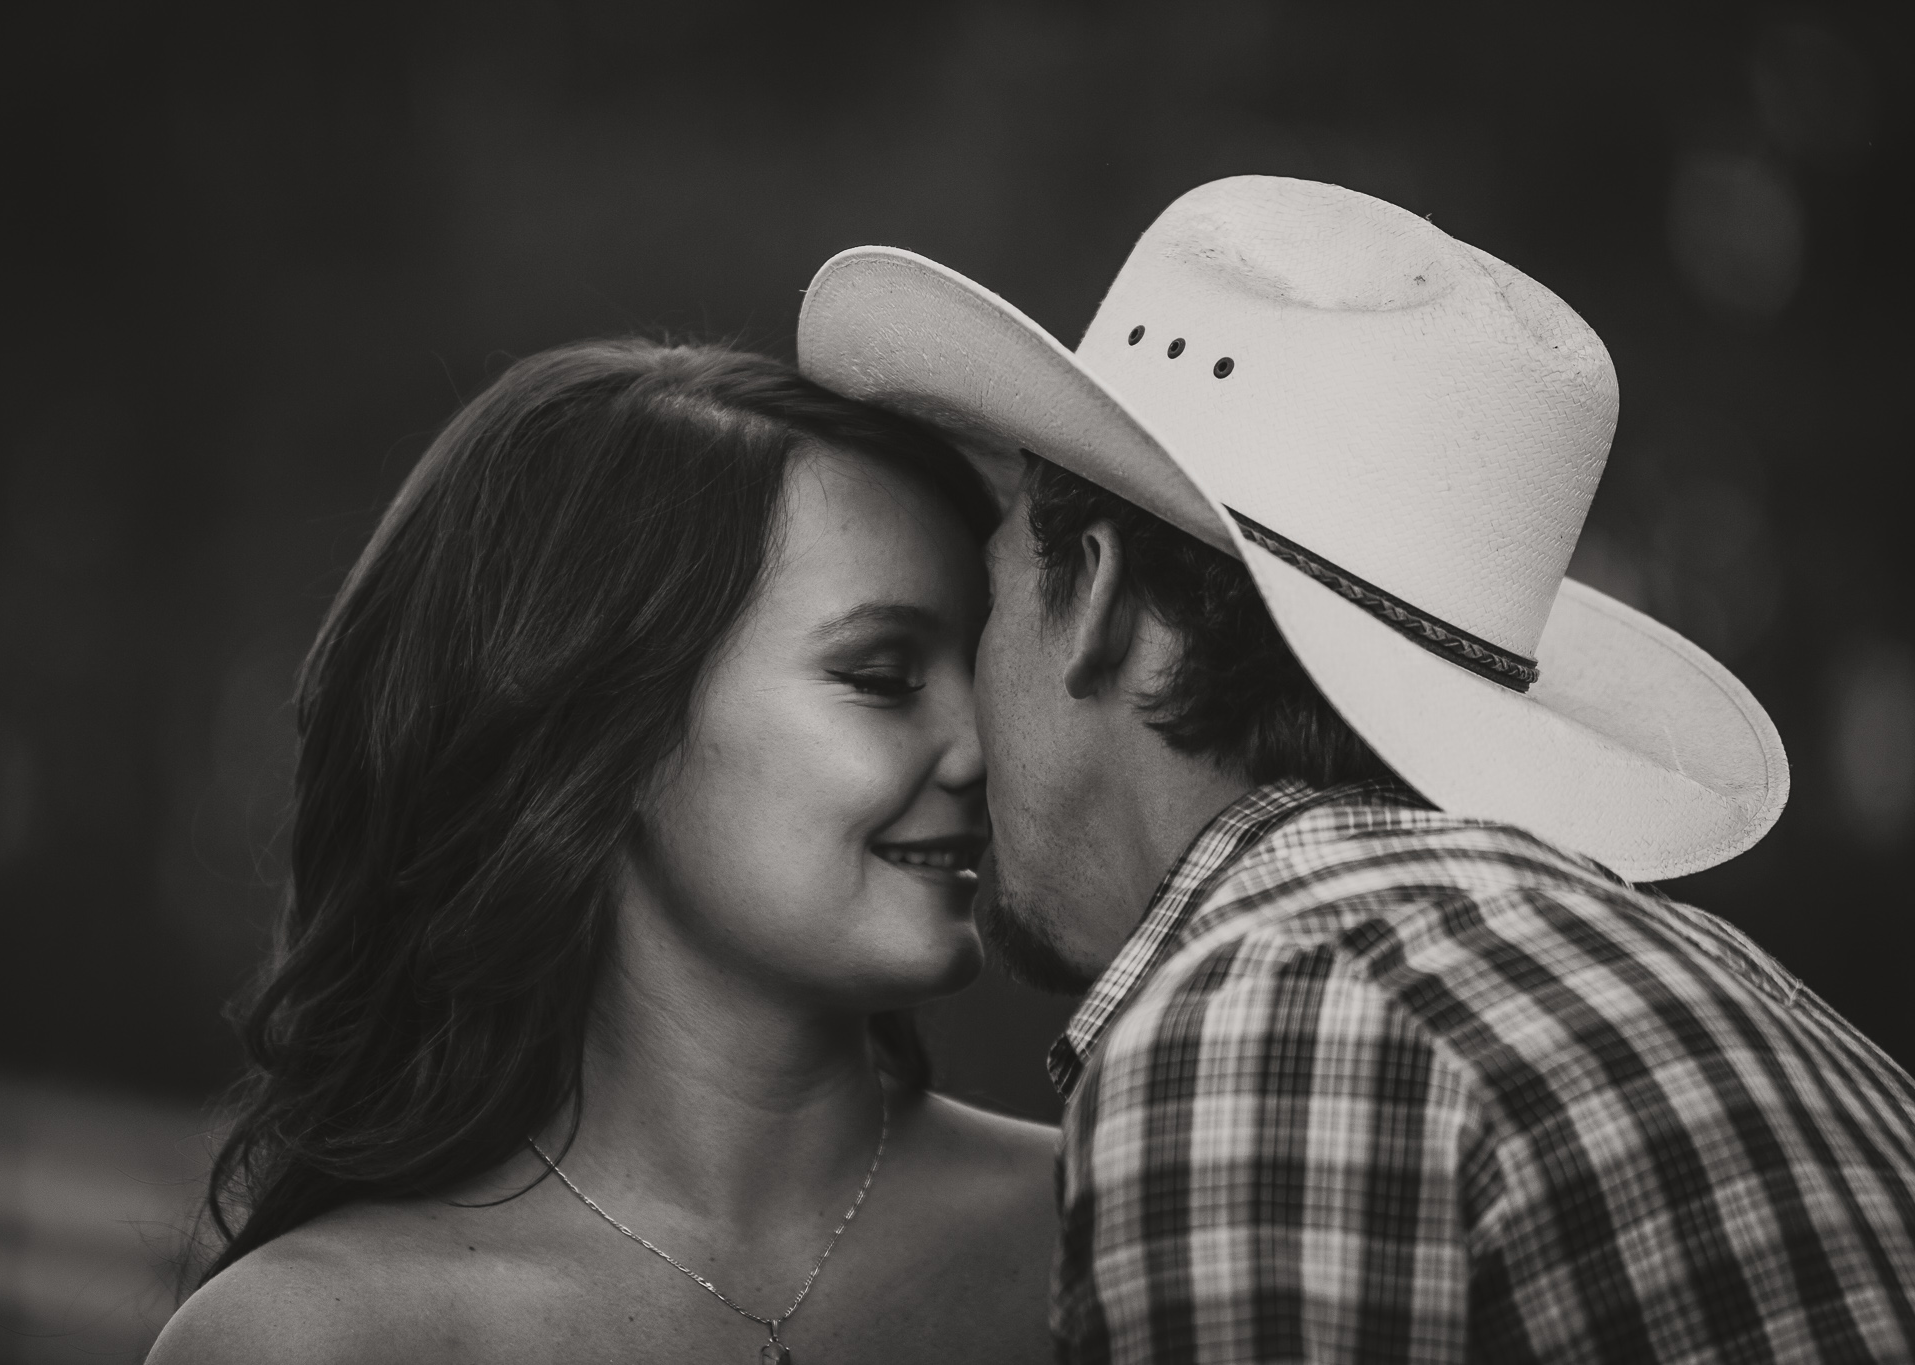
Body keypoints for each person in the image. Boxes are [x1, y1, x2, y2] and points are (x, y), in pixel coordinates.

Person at [799, 177, 1915, 1362]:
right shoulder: (1745, 993)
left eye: (989, 597)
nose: (964, 722)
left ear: (1096, 597)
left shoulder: (1273, 1016)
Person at [149, 340, 1058, 1365]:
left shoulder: (1108, 1235)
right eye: (881, 675)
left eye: (981, 673)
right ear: (602, 730)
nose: (984, 752)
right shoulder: (309, 1339)